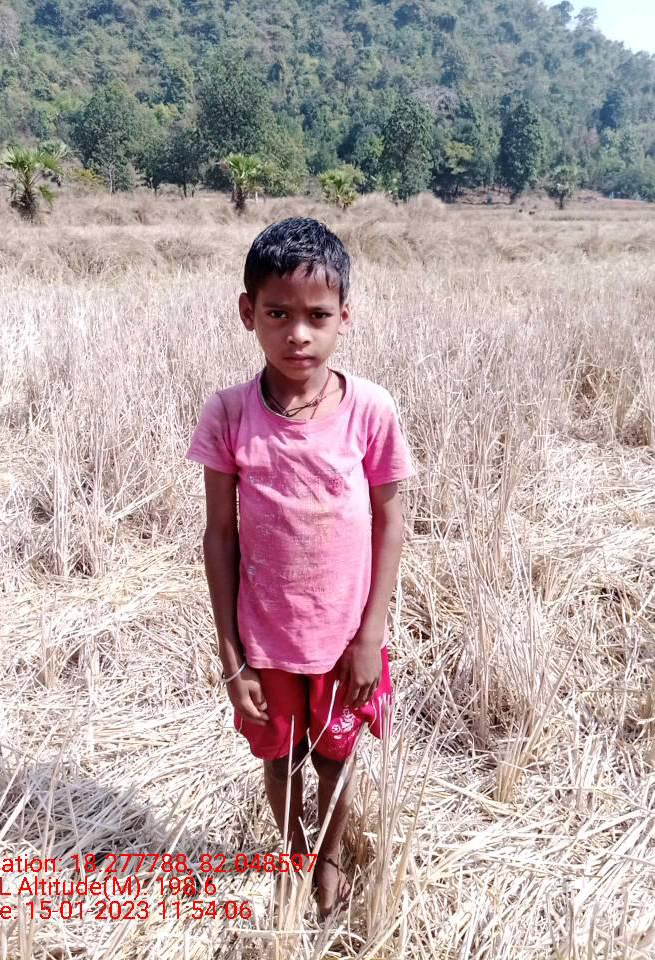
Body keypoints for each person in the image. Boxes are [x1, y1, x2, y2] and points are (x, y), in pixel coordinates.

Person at [185, 217, 415, 918]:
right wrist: (232, 657)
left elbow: (391, 522)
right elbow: (219, 536)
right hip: (266, 639)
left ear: (345, 316)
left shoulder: (370, 410)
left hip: (345, 640)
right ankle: (289, 855)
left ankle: (329, 858)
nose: (298, 335)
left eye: (318, 316)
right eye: (278, 314)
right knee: (280, 756)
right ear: (247, 311)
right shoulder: (229, 414)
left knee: (335, 755)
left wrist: (371, 636)